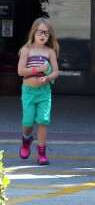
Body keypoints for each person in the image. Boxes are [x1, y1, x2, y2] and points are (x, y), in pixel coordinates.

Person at [18, 17, 60, 165]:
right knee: (28, 121)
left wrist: (47, 78)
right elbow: (21, 71)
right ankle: (26, 139)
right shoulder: (26, 50)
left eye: (47, 33)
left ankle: (41, 151)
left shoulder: (50, 52)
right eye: (40, 32)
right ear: (34, 32)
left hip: (44, 92)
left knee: (43, 120)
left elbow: (55, 72)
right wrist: (38, 69)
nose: (43, 36)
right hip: (28, 91)